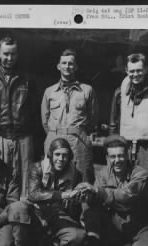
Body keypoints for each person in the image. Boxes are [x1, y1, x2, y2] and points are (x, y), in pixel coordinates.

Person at [76, 135, 148, 246]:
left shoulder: (140, 174)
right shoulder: (103, 174)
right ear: (107, 158)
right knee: (90, 211)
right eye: (113, 157)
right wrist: (86, 196)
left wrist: (98, 191)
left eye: (121, 156)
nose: (117, 160)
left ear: (127, 156)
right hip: (115, 223)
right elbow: (96, 203)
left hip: (139, 223)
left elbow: (125, 196)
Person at [27, 138, 103, 246]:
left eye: (65, 155)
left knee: (78, 237)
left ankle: (58, 244)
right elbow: (33, 194)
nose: (61, 159)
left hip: (60, 215)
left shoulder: (76, 174)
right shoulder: (37, 168)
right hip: (38, 213)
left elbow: (77, 206)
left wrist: (81, 196)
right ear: (50, 155)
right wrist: (64, 195)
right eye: (57, 154)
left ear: (69, 157)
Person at [0, 36, 38, 199]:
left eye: (13, 54)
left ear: (18, 55)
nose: (9, 58)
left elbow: (34, 109)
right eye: (6, 54)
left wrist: (24, 127)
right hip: (0, 137)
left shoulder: (27, 79)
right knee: (1, 178)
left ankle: (25, 212)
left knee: (27, 181)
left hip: (24, 137)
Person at [41, 48, 98, 183]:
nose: (67, 66)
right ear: (58, 66)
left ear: (76, 67)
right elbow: (44, 120)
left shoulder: (87, 90)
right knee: (53, 175)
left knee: (82, 175)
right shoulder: (49, 92)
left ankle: (84, 204)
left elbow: (93, 118)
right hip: (55, 136)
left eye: (71, 63)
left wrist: (80, 132)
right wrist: (54, 135)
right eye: (64, 63)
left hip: (78, 139)